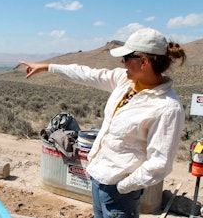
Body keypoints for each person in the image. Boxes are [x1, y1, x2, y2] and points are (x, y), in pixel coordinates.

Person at [21, 28, 186, 218]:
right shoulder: (126, 81)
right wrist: (47, 67)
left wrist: (123, 186)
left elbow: (160, 163)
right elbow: (87, 74)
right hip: (98, 176)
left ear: (144, 62)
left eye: (126, 58)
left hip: (119, 191)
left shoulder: (167, 108)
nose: (121, 63)